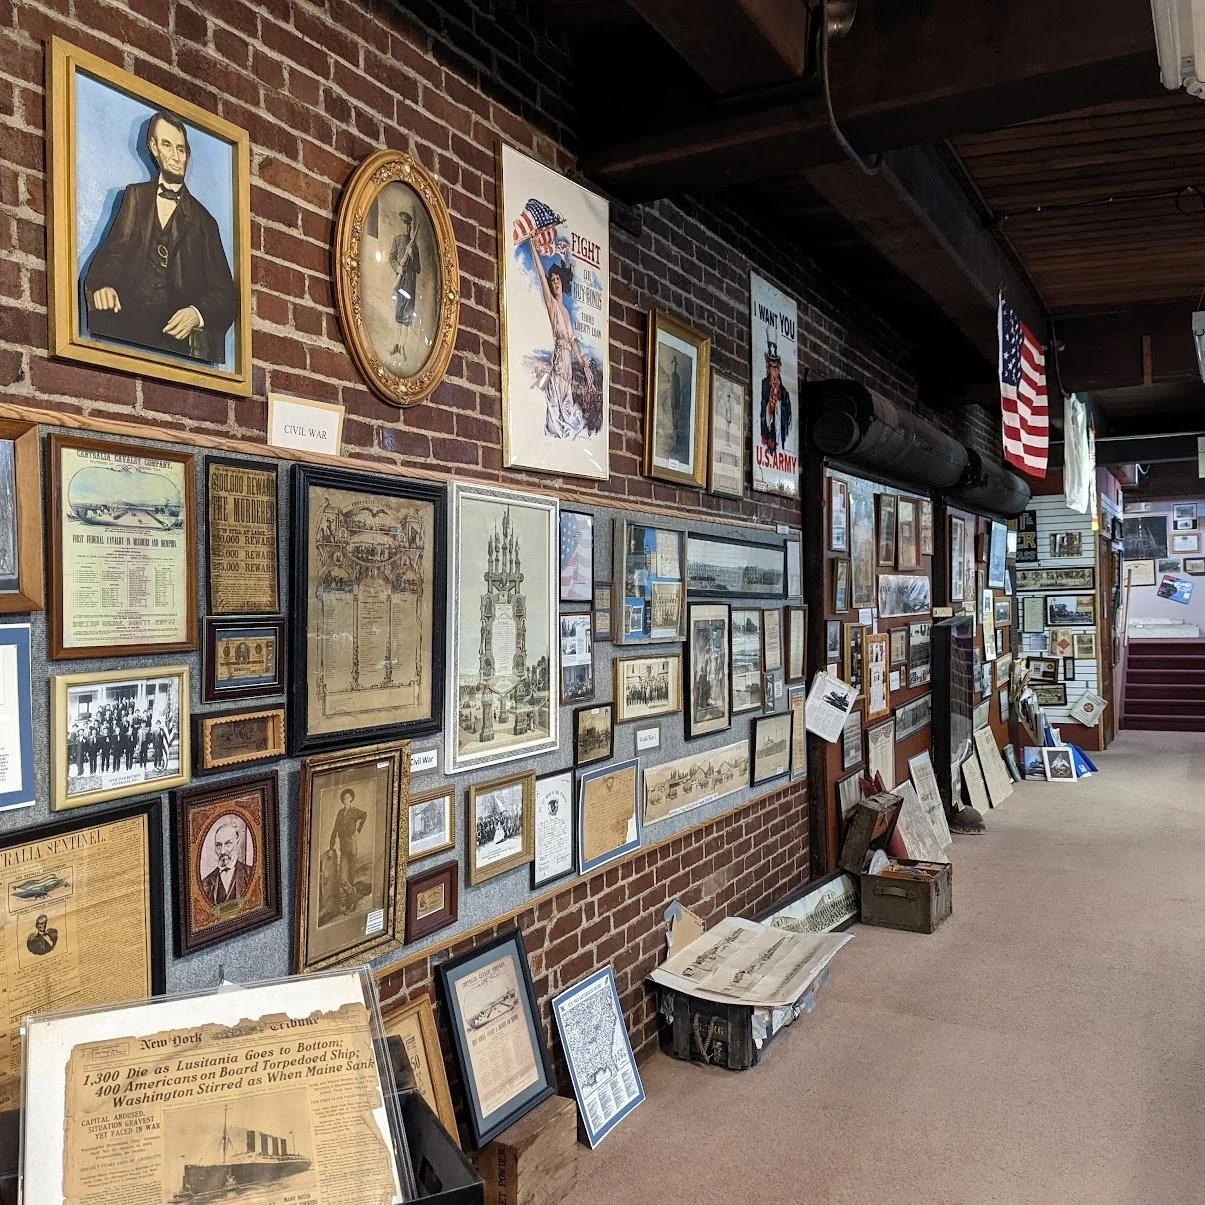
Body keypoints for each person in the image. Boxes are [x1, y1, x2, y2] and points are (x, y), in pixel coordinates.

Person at [82, 110, 238, 364]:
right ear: (153, 147)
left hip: (175, 339)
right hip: (125, 324)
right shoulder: (134, 197)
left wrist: (196, 313)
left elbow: (226, 295)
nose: (176, 157)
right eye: (167, 145)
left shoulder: (204, 221)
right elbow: (113, 253)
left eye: (181, 149)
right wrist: (103, 285)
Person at [530, 249, 594, 439]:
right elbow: (541, 275)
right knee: (556, 404)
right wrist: (534, 248)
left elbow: (572, 340)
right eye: (553, 280)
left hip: (568, 367)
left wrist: (581, 360)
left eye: (558, 280)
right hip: (559, 363)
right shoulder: (552, 305)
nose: (555, 283)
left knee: (567, 404)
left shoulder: (566, 311)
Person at [388, 210, 421, 359]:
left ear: (410, 227)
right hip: (400, 282)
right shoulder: (397, 240)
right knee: (398, 313)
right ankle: (396, 344)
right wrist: (398, 267)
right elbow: (391, 257)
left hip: (410, 285)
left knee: (407, 316)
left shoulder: (414, 246)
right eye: (404, 224)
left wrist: (412, 255)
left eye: (408, 225)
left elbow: (418, 269)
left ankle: (402, 346)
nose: (406, 228)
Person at [329, 788, 367, 911]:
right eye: (344, 798)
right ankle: (354, 896)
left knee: (350, 875)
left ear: (351, 798)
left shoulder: (354, 811)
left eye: (347, 797)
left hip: (352, 844)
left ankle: (350, 903)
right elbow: (335, 830)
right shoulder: (340, 813)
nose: (345, 800)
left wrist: (358, 830)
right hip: (343, 846)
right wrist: (331, 847)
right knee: (343, 879)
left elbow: (364, 814)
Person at [200, 820, 253, 907]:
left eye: (228, 844)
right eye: (218, 845)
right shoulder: (205, 883)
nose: (223, 851)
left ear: (237, 843)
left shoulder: (251, 873)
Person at [759, 333, 793, 458]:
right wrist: (769, 407)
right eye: (770, 367)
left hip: (780, 441)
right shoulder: (764, 385)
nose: (772, 371)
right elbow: (762, 414)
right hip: (769, 440)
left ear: (779, 369)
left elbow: (787, 421)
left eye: (775, 367)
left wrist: (778, 405)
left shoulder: (785, 393)